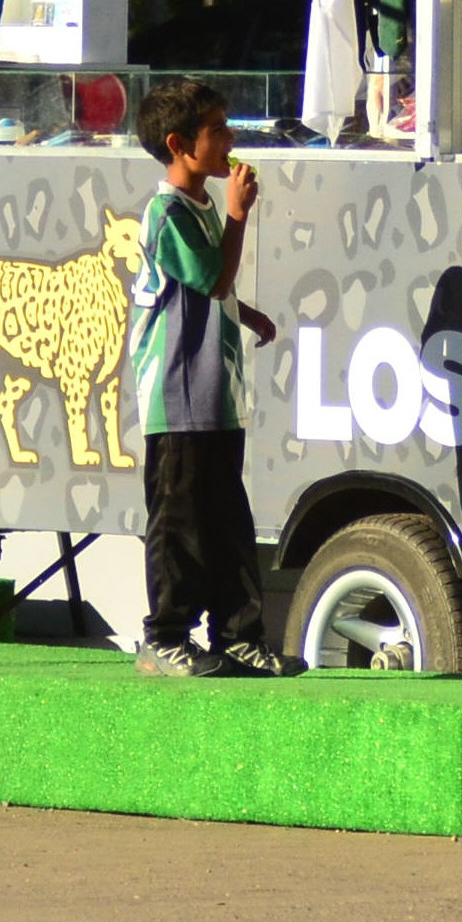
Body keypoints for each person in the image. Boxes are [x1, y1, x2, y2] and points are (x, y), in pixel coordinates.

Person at [128, 79, 290, 679]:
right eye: (216, 129)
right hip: (177, 398)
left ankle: (238, 635)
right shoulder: (166, 212)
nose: (230, 139)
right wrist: (238, 213)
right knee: (179, 522)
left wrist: (245, 314)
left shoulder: (195, 208)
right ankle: (165, 636)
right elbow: (213, 278)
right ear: (178, 144)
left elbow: (209, 290)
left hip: (216, 395)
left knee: (227, 520)